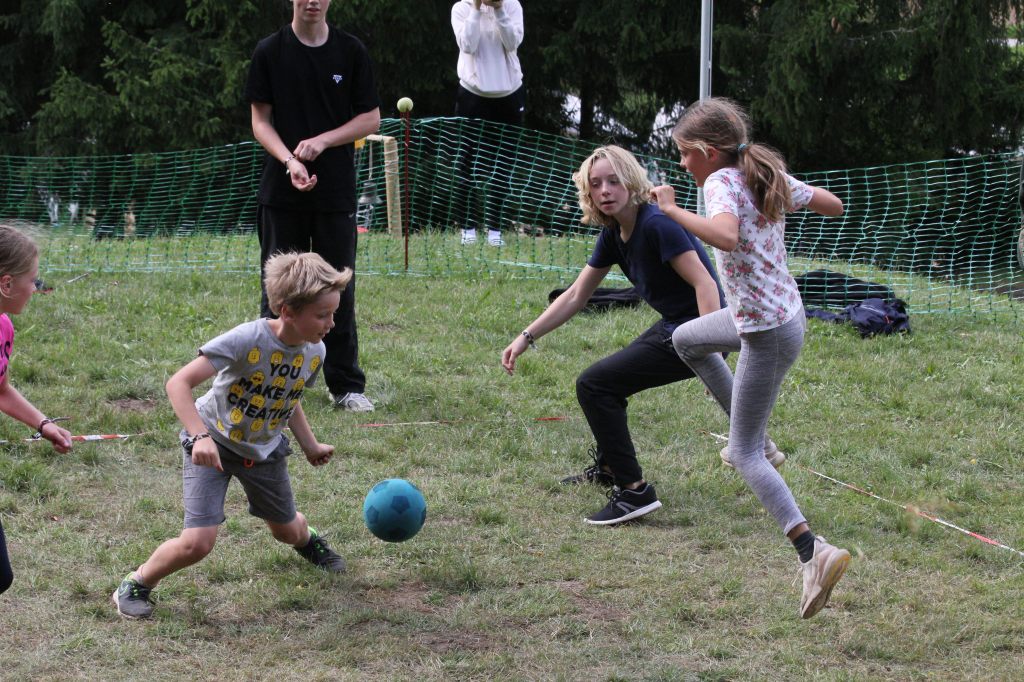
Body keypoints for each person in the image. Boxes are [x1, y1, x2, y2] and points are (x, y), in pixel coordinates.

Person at [650, 97, 849, 619]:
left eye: (685, 156)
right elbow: (834, 204)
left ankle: (814, 551)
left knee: (742, 455)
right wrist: (789, 195)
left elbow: (727, 235)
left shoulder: (719, 182)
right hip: (782, 318)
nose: (682, 166)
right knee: (688, 339)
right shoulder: (764, 173)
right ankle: (762, 441)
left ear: (708, 152)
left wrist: (671, 209)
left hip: (764, 333)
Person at [113, 252, 350, 619]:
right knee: (197, 543)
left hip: (264, 451)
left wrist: (310, 445)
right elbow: (178, 383)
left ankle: (309, 541)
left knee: (286, 531)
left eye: (333, 313)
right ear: (287, 311)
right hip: (213, 445)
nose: (331, 324)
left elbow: (288, 396)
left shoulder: (314, 351)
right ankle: (136, 583)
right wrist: (199, 437)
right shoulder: (247, 338)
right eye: (322, 315)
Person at [502, 146, 724, 526]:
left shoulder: (657, 224)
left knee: (595, 384)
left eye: (613, 180)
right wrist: (527, 335)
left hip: (693, 331)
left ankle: (634, 491)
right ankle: (609, 467)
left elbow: (707, 284)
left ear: (632, 181)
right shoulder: (614, 233)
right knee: (605, 385)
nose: (605, 190)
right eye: (596, 184)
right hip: (676, 323)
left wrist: (713, 353)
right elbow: (575, 295)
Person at [245, 0, 381, 412]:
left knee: (339, 287)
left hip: (335, 191)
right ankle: (268, 379)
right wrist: (289, 161)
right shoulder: (270, 51)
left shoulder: (351, 51)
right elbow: (260, 121)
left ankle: (346, 386)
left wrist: (323, 141)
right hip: (282, 189)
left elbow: (370, 118)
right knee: (279, 291)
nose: (312, 1)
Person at [0, 225, 73, 597]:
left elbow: (1, 389)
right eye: (33, 280)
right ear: (6, 284)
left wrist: (43, 424)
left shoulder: (3, 327)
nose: (37, 288)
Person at [451, 0, 525, 247]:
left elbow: (512, 43)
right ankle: (468, 228)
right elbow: (467, 45)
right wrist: (476, 8)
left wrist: (499, 9)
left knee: (503, 165)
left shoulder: (512, 6)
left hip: (509, 95)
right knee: (466, 162)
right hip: (472, 95)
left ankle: (495, 231)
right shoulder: (461, 9)